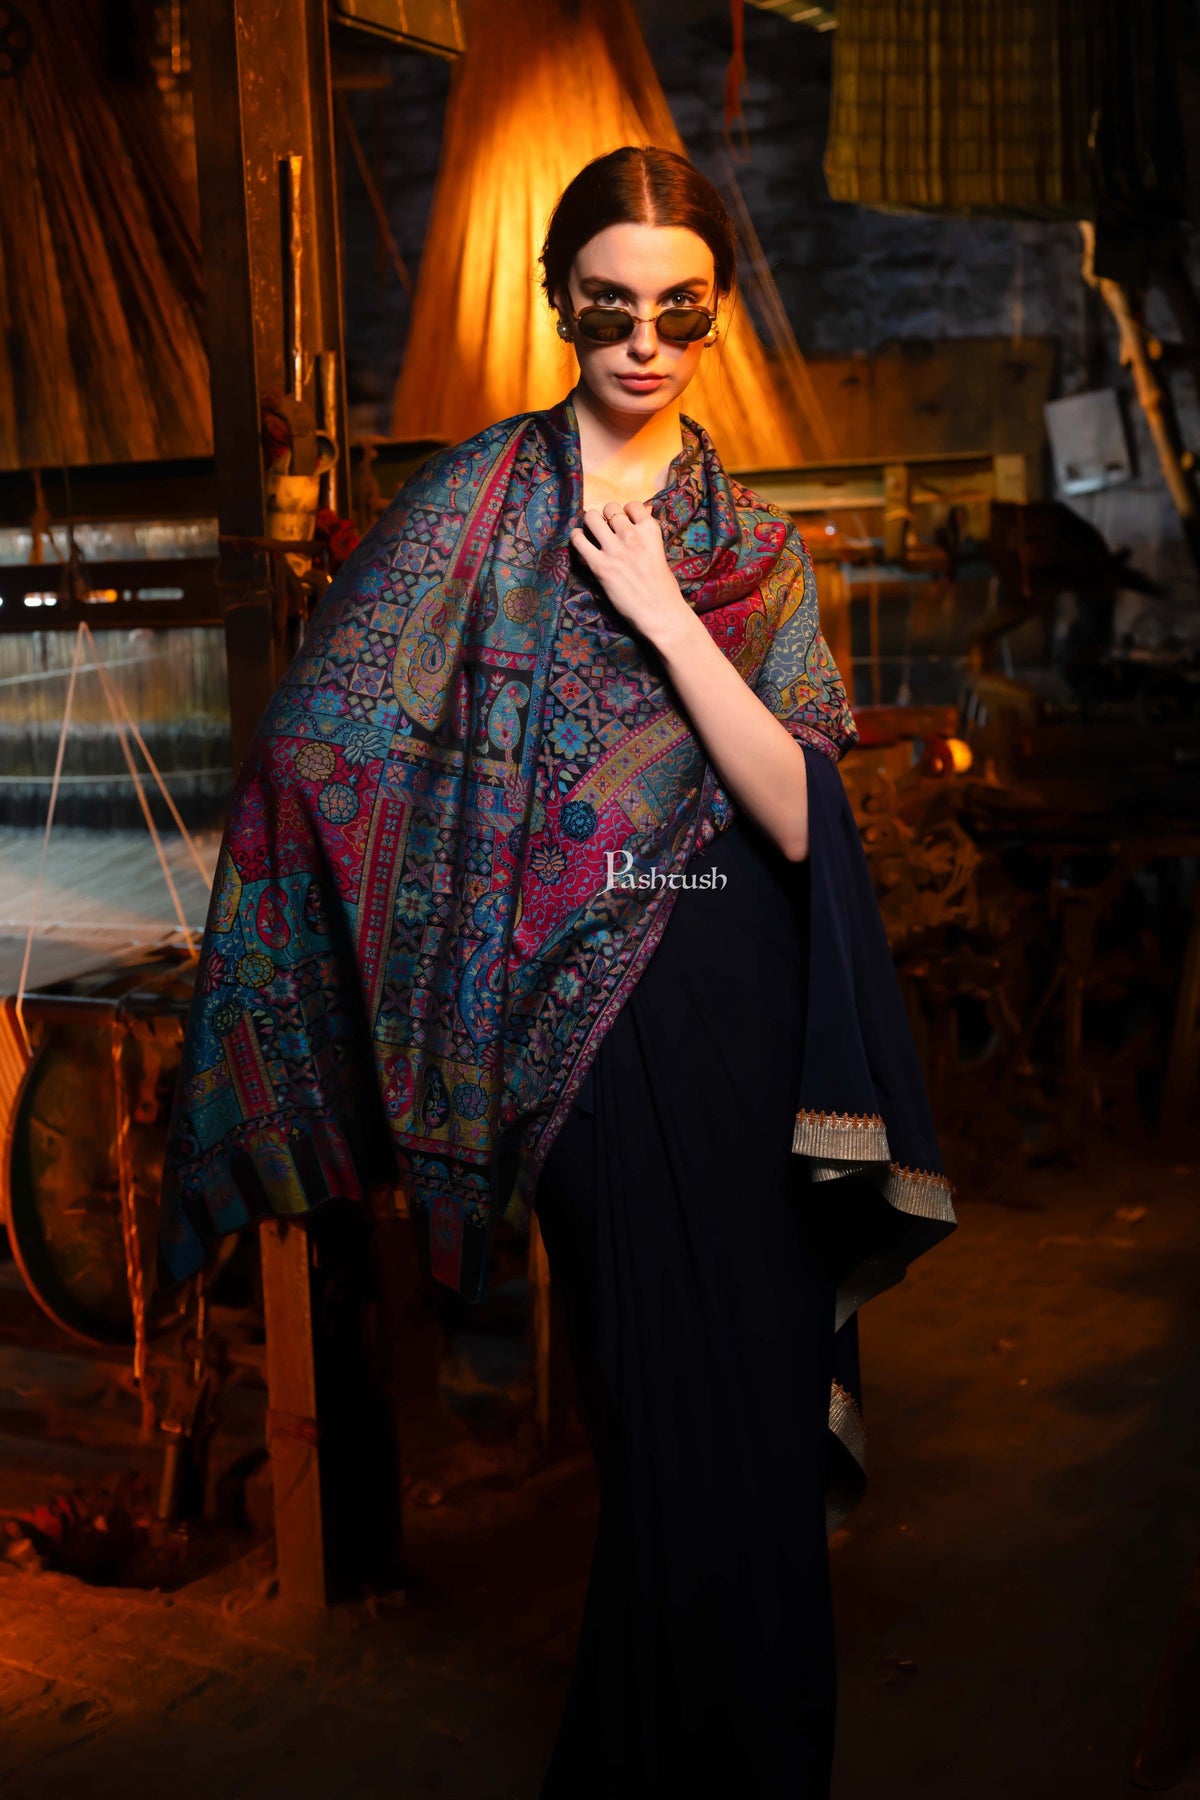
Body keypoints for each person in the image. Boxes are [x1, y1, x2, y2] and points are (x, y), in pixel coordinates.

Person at [159, 146, 957, 1799]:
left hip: (744, 1015)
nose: (645, 344)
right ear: (558, 303)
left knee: (754, 1437)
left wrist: (664, 614)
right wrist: (441, 915)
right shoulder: (472, 506)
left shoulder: (754, 548)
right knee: (661, 1441)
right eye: (610, 309)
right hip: (574, 1046)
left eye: (681, 310)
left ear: (714, 316)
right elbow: (324, 749)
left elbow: (801, 812)